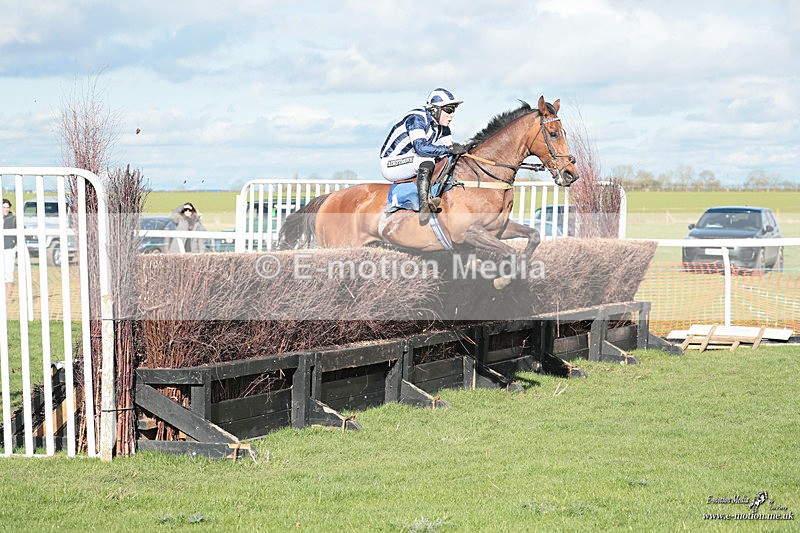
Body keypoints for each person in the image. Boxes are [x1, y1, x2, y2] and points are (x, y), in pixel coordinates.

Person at [379, 87, 468, 224]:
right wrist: (449, 149)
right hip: (391, 163)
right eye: (449, 110)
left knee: (447, 158)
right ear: (435, 109)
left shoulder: (441, 126)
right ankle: (424, 205)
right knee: (425, 158)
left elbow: (451, 148)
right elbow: (420, 148)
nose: (452, 115)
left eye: (454, 110)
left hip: (410, 160)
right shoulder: (417, 119)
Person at [3, 199, 17, 300]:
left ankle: (9, 297)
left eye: (8, 207)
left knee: (8, 272)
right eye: (4, 207)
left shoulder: (13, 218)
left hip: (9, 248)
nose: (6, 209)